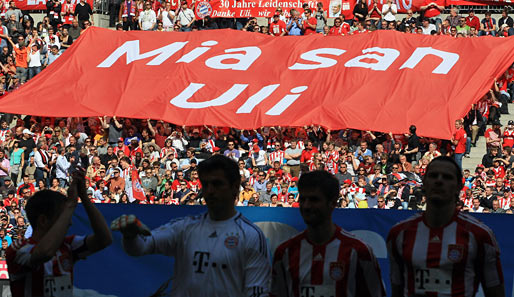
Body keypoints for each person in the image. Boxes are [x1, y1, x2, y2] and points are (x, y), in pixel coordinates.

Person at [111, 155, 271, 296]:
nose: (210, 191)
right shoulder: (185, 228)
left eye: (217, 184)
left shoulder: (251, 236)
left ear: (235, 187)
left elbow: (257, 293)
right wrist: (130, 235)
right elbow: (141, 247)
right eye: (206, 184)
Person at [387, 156, 505, 297]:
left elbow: (496, 291)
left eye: (447, 177)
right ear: (423, 183)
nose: (439, 181)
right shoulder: (400, 234)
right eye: (433, 175)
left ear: (459, 187)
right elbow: (397, 289)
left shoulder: (480, 236)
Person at [271, 170, 385, 297]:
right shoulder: (285, 252)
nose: (307, 206)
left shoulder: (359, 252)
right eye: (303, 199)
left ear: (332, 202)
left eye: (314, 200)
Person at [6, 171, 112, 297]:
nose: (69, 223)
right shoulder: (17, 250)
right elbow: (44, 253)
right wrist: (70, 204)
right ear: (43, 221)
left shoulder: (67, 245)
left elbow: (104, 239)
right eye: (63, 217)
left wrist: (84, 197)